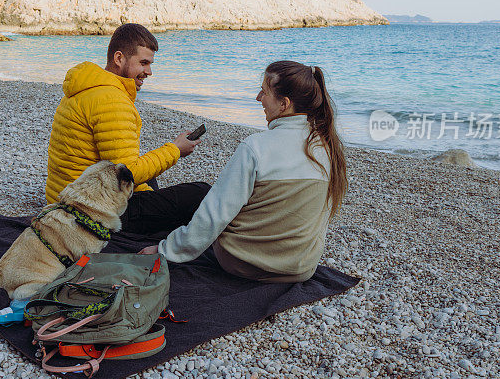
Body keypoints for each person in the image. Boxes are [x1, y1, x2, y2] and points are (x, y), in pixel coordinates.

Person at [138, 60, 348, 283]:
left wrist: (165, 251)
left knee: (203, 201)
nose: (258, 98)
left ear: (284, 104)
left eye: (264, 92)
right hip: (300, 269)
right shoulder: (326, 147)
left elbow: (214, 215)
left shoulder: (256, 147)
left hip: (244, 264)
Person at [46, 23, 210, 226]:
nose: (149, 71)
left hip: (66, 196)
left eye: (150, 64)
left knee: (150, 176)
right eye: (143, 63)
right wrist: (176, 150)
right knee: (201, 193)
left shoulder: (88, 87)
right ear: (119, 58)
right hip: (89, 211)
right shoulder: (111, 100)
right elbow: (127, 172)